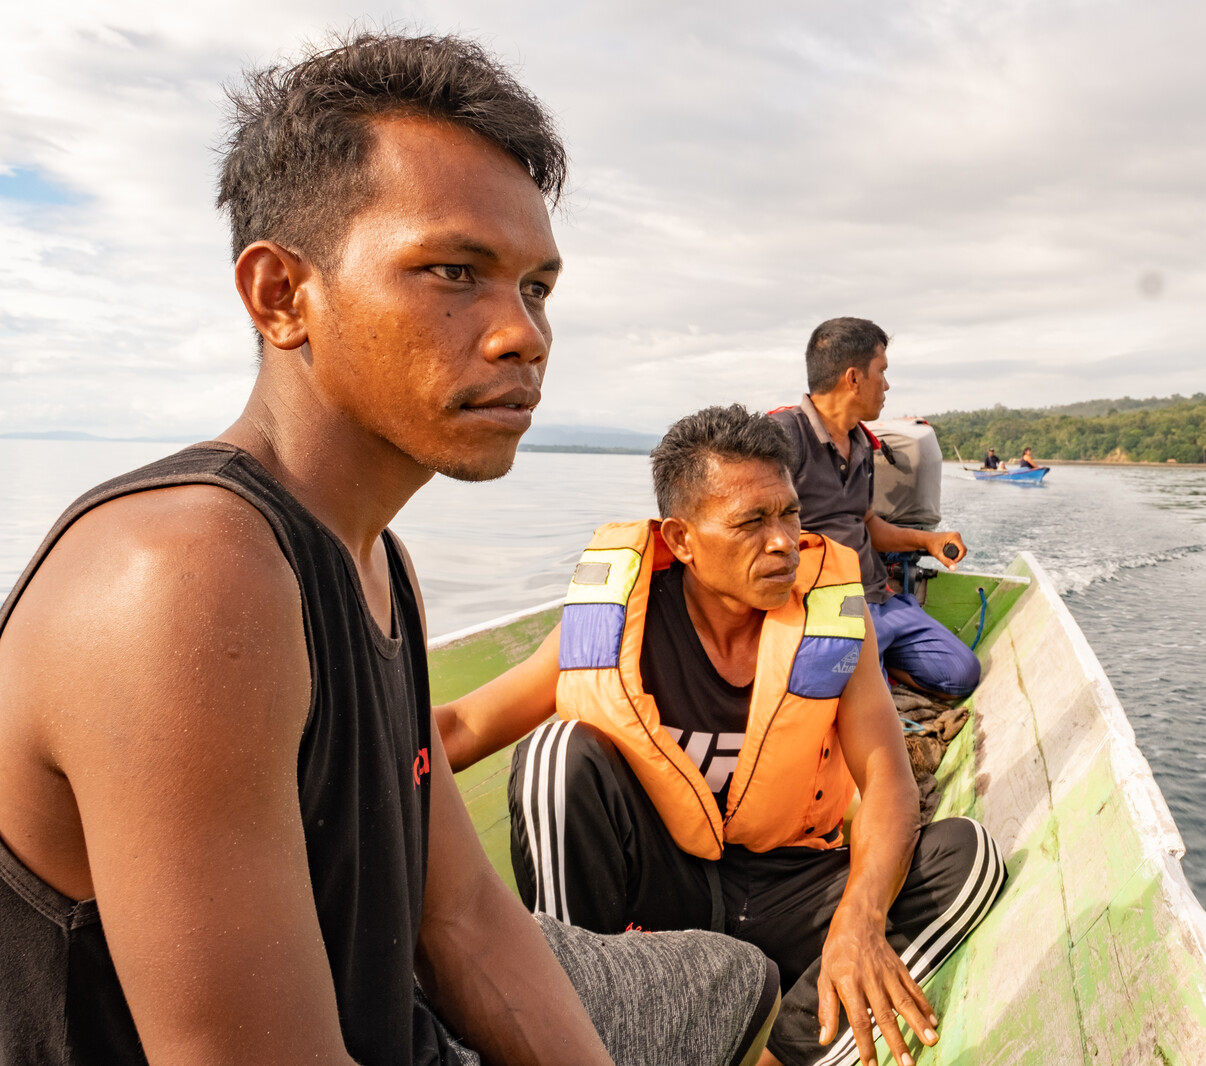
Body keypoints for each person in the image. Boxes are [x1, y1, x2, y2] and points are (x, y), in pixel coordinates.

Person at [0, 33, 775, 1066]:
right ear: (282, 295)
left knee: (733, 976)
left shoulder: (374, 559)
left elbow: (457, 915)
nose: (522, 335)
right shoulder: (187, 577)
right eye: (454, 271)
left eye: (536, 287)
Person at [435, 405, 1006, 1066]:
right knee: (553, 758)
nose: (783, 542)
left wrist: (861, 917)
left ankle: (785, 1052)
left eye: (789, 513)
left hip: (785, 883)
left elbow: (886, 778)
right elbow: (460, 727)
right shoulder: (618, 621)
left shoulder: (830, 624)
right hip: (655, 893)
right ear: (680, 539)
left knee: (967, 859)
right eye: (751, 523)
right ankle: (584, 1019)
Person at [770, 318, 982, 700]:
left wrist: (929, 540)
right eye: (881, 372)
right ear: (853, 379)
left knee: (962, 674)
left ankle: (883, 661)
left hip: (878, 597)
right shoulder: (784, 437)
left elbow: (865, 521)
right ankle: (874, 673)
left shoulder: (863, 444)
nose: (886, 385)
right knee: (863, 699)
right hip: (822, 606)